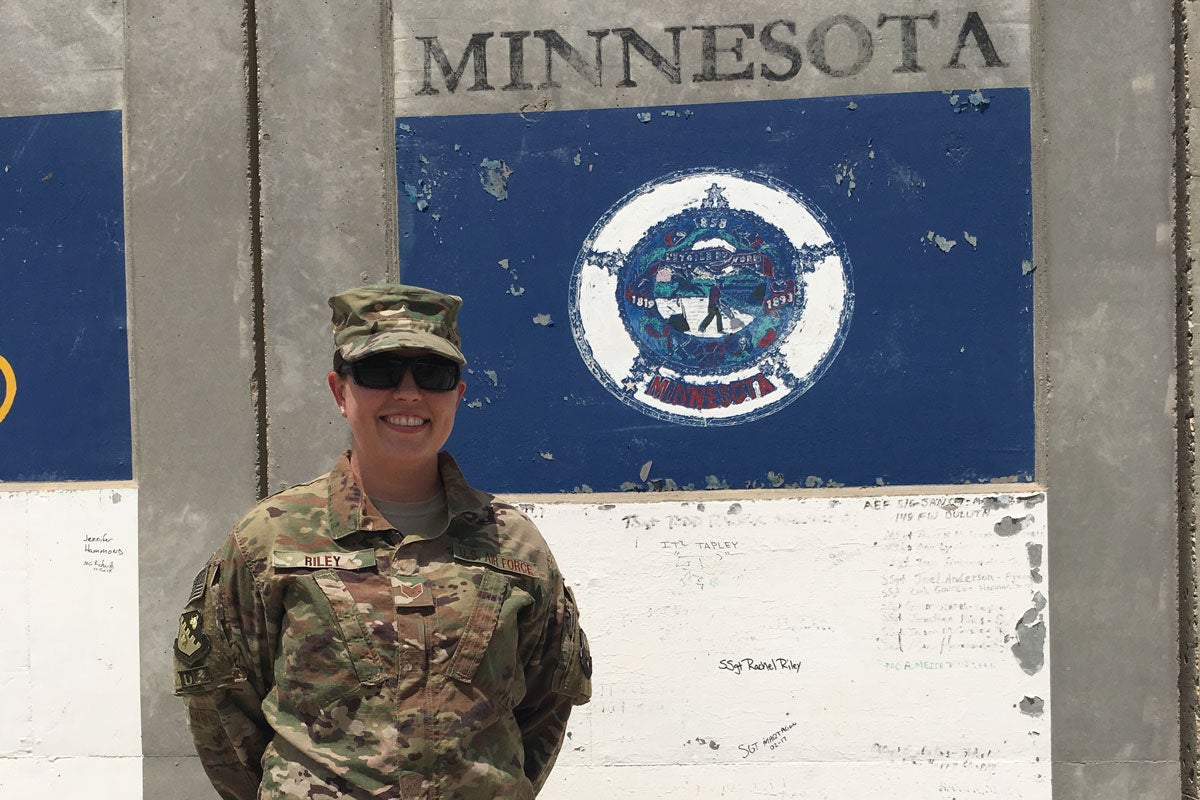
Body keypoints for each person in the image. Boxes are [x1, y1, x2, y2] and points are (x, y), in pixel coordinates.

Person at [172, 284, 592, 799]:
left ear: (458, 394)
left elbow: (546, 703)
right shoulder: (272, 537)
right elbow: (221, 703)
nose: (409, 394)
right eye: (380, 372)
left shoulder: (512, 544)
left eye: (433, 375)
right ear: (339, 390)